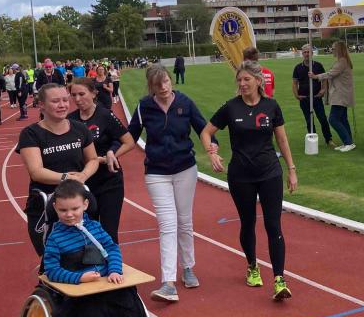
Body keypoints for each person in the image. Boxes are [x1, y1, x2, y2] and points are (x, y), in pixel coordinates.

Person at [201, 61, 297, 300]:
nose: (242, 84)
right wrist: (212, 153)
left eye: (246, 79)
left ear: (258, 81)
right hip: (241, 176)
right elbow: (206, 132)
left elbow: (282, 140)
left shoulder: (271, 106)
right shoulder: (231, 107)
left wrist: (291, 169)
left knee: (273, 225)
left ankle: (279, 279)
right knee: (248, 222)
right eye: (239, 80)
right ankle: (252, 266)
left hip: (270, 173)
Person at [42, 180, 152, 317]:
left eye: (75, 209)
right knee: (93, 315)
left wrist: (115, 270)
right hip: (79, 295)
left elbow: (112, 249)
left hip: (106, 284)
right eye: (63, 210)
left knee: (130, 304)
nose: (69, 214)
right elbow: (52, 271)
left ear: (85, 205)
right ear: (55, 208)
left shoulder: (96, 228)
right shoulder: (55, 239)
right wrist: (78, 278)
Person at [127, 65, 206, 303]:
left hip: (185, 169)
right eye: (157, 84)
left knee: (184, 221)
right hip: (157, 173)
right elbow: (130, 136)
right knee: (167, 224)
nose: (163, 87)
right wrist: (111, 152)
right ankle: (168, 283)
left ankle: (188, 267)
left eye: (166, 81)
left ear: (171, 80)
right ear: (150, 86)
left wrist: (212, 148)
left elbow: (203, 129)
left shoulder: (185, 102)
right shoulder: (144, 106)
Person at [18, 82, 100, 255]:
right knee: (50, 259)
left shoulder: (80, 129)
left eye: (65, 100)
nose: (62, 105)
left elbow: (93, 159)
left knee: (85, 257)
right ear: (42, 104)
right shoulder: (31, 134)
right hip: (46, 207)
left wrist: (83, 175)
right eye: (55, 101)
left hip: (78, 206)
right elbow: (36, 171)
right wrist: (66, 178)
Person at [69, 78, 136, 242]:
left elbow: (129, 142)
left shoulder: (105, 115)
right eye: (74, 95)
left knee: (108, 233)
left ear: (94, 93)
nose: (77, 99)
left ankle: (112, 260)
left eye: (82, 94)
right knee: (87, 233)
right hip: (84, 184)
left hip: (109, 181)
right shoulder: (70, 120)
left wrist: (110, 155)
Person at [311, 40, 356, 152]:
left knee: (333, 119)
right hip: (342, 94)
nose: (332, 50)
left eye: (334, 48)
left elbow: (330, 74)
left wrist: (316, 76)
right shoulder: (342, 61)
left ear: (339, 49)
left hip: (340, 94)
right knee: (343, 119)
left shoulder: (342, 61)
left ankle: (348, 142)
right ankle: (349, 142)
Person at [292, 44, 334, 148]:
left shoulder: (318, 66)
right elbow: (295, 83)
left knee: (323, 119)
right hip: (304, 98)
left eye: (308, 52)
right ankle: (313, 140)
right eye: (305, 52)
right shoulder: (298, 67)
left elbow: (324, 79)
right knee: (309, 121)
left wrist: (323, 90)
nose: (307, 54)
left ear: (312, 53)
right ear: (302, 54)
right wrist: (296, 95)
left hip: (316, 97)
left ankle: (328, 139)